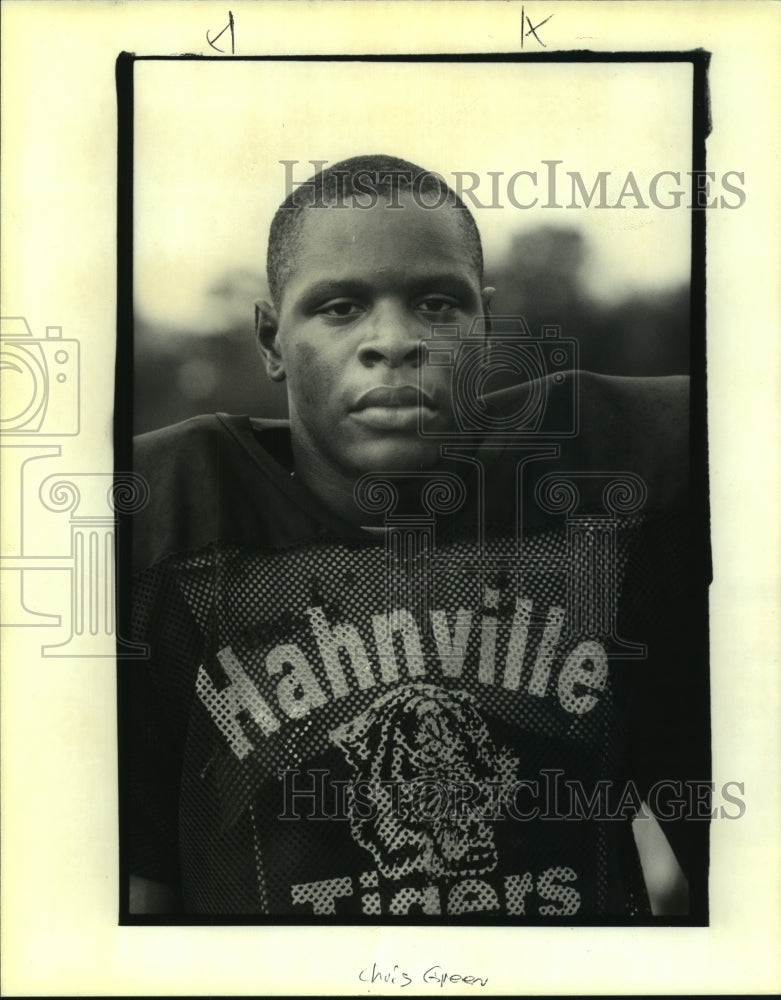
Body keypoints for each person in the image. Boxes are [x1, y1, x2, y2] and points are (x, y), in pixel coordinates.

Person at [124, 154, 707, 918]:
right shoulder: (162, 530)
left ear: (484, 327)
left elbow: (730, 866)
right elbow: (137, 901)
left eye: (436, 305)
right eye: (338, 307)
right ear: (270, 338)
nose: (393, 341)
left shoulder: (624, 488)